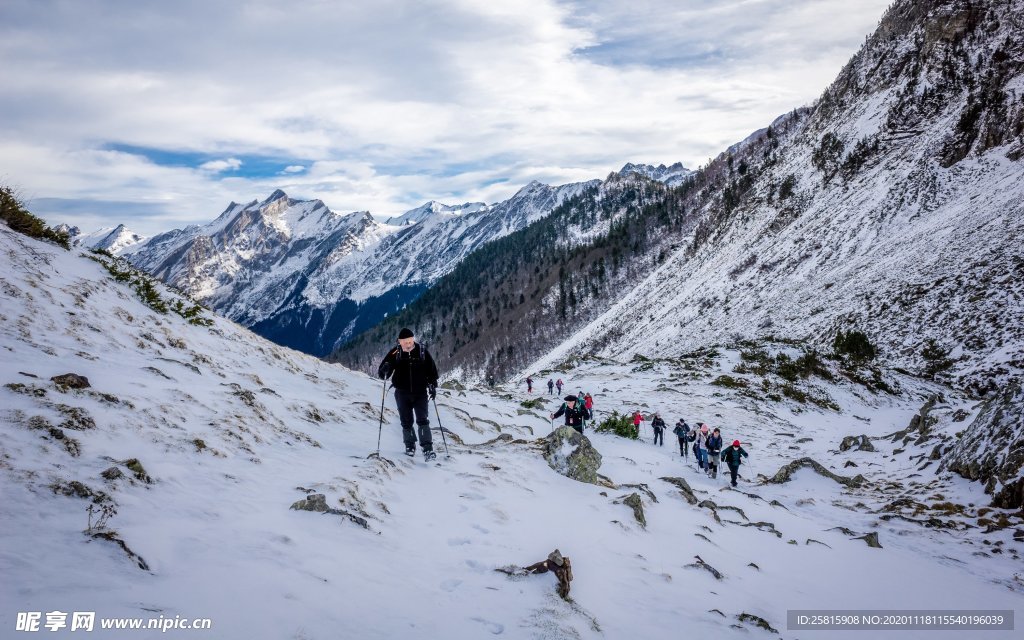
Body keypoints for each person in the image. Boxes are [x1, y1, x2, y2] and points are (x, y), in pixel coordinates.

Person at [378, 328, 439, 460]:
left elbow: (432, 371)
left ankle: (427, 449)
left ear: (413, 339)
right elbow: (383, 373)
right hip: (401, 392)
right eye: (405, 341)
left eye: (410, 340)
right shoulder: (395, 352)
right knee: (406, 421)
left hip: (420, 392)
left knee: (422, 420)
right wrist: (385, 370)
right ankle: (410, 446)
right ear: (400, 342)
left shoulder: (422, 351)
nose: (408, 344)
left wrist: (432, 386)